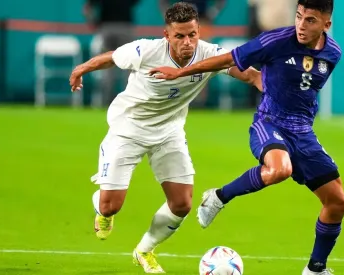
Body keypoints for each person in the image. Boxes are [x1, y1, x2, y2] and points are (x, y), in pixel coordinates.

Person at [149, 1, 344, 274]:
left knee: (337, 202)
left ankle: (315, 268)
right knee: (280, 169)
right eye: (299, 16)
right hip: (269, 122)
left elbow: (305, 89)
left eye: (311, 20)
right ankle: (218, 197)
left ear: (327, 24)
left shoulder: (333, 54)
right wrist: (182, 71)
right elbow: (230, 58)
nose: (301, 25)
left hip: (303, 132)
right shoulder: (275, 40)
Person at [69, 2, 262, 274]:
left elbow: (241, 70)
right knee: (110, 205)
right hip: (128, 130)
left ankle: (144, 251)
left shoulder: (208, 53)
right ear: (166, 35)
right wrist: (81, 69)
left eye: (192, 35)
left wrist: (260, 81)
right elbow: (112, 57)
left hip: (169, 133)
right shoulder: (146, 50)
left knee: (182, 204)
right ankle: (102, 210)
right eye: (180, 36)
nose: (187, 42)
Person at [83, 0, 141, 106]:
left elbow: (87, 8)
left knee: (107, 65)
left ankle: (108, 101)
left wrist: (93, 22)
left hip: (107, 27)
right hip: (125, 27)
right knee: (130, 65)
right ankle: (129, 100)